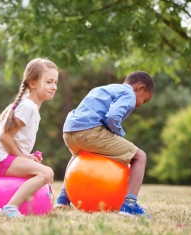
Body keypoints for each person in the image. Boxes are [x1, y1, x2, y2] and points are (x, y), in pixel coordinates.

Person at [55, 71, 154, 218]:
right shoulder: (129, 94)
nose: (139, 105)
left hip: (69, 132)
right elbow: (113, 117)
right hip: (89, 132)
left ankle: (64, 198)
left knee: (79, 156)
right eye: (144, 100)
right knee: (140, 156)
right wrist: (118, 134)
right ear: (140, 88)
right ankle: (130, 205)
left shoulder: (104, 89)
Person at [0, 58, 58, 219]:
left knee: (47, 175)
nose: (54, 87)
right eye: (49, 82)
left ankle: (42, 204)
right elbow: (4, 136)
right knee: (47, 173)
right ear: (33, 83)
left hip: (5, 158)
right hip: (0, 159)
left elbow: (15, 139)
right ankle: (10, 208)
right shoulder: (28, 107)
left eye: (55, 82)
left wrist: (27, 157)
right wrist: (22, 157)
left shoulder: (31, 106)